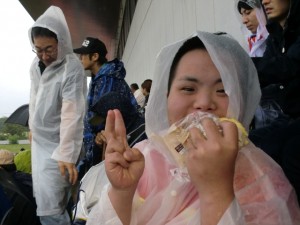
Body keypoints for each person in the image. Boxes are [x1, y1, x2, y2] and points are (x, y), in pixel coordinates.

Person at [74, 31, 300, 224]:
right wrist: (122, 192)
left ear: (242, 101)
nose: (204, 103)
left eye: (223, 90)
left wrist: (216, 192)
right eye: (188, 89)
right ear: (166, 97)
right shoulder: (143, 158)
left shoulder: (262, 178)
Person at [28, 6, 86, 225]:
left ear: (61, 41)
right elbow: (34, 98)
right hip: (40, 141)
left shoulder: (71, 68)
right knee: (48, 196)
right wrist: (32, 127)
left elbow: (73, 112)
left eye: (49, 49)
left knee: (50, 205)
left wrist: (66, 153)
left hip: (59, 144)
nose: (44, 56)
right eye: (38, 49)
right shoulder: (36, 65)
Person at [250, 0, 300, 203]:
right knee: (251, 144)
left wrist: (241, 66)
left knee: (290, 151)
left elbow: (288, 66)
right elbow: (268, 75)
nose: (265, 1)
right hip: (289, 117)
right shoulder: (276, 34)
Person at [73, 37, 138, 177]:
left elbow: (102, 115)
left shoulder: (107, 79)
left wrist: (91, 128)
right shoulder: (100, 78)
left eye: (83, 55)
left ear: (95, 56)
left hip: (112, 145)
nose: (80, 58)